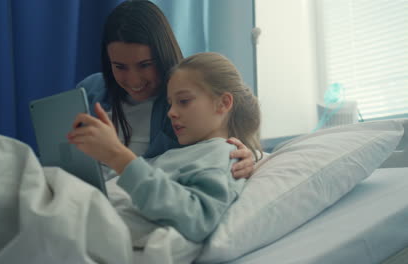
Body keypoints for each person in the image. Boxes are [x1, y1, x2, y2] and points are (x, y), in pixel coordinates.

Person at [67, 52, 263, 242]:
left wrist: (118, 156)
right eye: (170, 104)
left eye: (183, 101)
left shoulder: (222, 153)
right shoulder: (179, 152)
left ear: (223, 103)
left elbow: (197, 218)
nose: (171, 113)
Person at [77, 0, 256, 178]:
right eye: (120, 67)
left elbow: (218, 145)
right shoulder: (90, 90)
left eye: (145, 65)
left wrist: (247, 155)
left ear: (162, 54)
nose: (134, 80)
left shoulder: (185, 106)